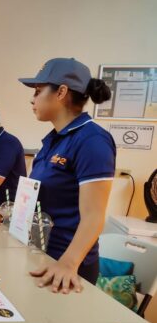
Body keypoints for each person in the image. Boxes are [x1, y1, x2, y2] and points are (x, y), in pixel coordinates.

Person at [18, 57, 115, 293]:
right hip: (42, 255)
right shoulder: (53, 140)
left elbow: (94, 216)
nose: (32, 99)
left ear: (61, 92)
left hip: (68, 268)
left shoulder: (92, 140)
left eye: (38, 91)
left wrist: (68, 264)